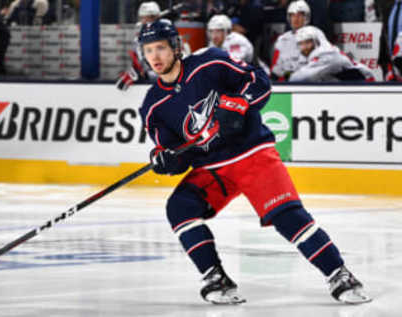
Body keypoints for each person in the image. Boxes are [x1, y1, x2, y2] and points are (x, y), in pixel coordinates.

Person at [138, 19, 372, 305]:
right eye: (149, 50)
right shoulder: (152, 106)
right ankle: (215, 276)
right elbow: (176, 154)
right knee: (179, 207)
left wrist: (239, 105)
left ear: (175, 46)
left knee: (286, 215)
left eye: (160, 47)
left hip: (251, 153)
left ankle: (338, 273)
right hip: (212, 168)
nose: (155, 56)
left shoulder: (209, 62)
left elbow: (258, 81)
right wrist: (166, 160)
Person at [290, 26, 375, 82]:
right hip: (351, 87)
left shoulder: (327, 55)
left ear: (317, 41)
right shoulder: (324, 54)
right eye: (301, 44)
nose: (304, 47)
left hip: (365, 85)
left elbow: (298, 78)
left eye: (308, 42)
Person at [270, 0, 327, 81]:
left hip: (311, 83)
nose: (296, 19)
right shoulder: (282, 39)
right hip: (287, 83)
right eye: (292, 15)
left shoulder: (316, 34)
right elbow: (276, 69)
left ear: (306, 17)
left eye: (300, 15)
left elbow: (325, 61)